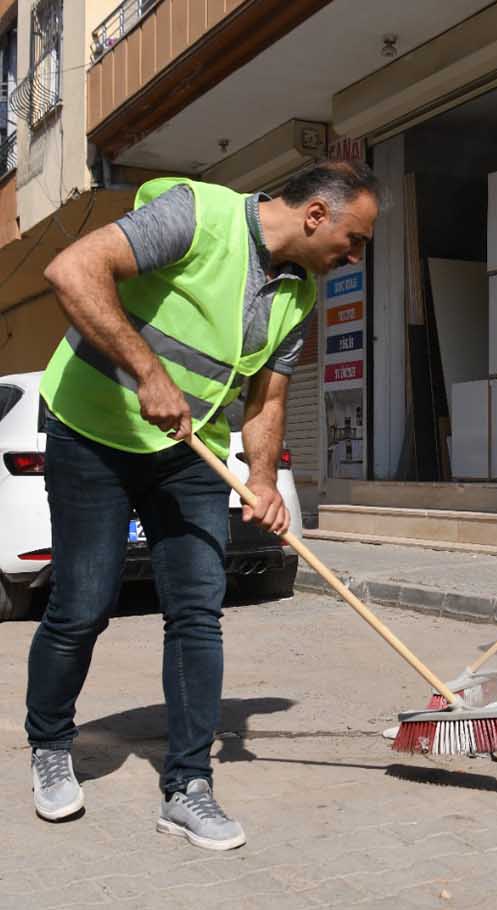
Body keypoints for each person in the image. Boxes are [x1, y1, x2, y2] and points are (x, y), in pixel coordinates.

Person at [28, 161, 380, 849]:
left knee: (196, 609)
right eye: (355, 238)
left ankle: (188, 786)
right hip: (92, 432)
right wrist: (149, 372)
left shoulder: (299, 294)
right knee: (83, 604)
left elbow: (266, 398)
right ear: (315, 214)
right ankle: (49, 742)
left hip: (189, 452)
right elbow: (72, 271)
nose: (355, 255)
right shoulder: (198, 215)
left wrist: (266, 482)